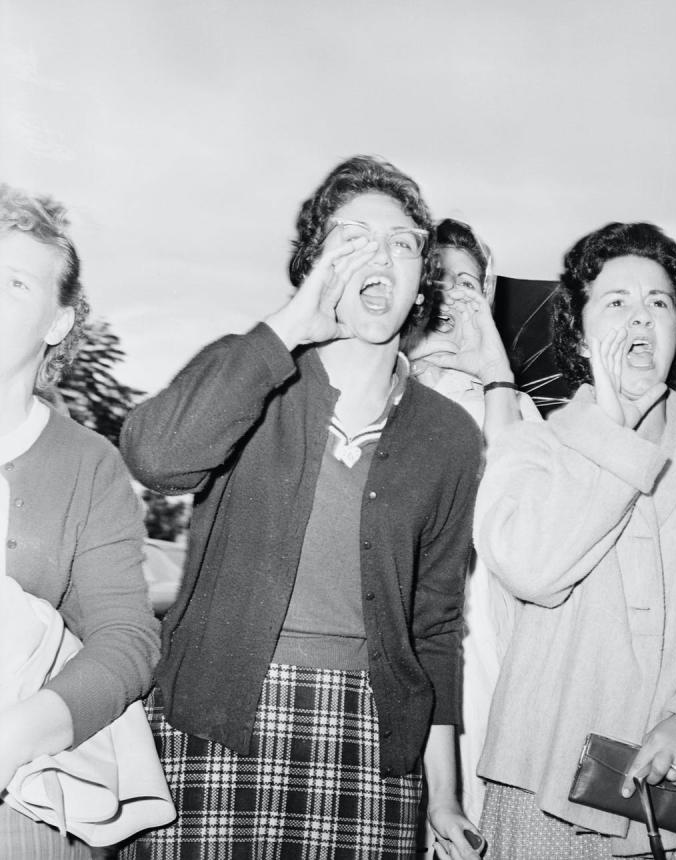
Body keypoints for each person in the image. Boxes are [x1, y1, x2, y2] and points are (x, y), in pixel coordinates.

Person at [119, 156, 485, 860]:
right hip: (217, 713)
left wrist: (444, 795)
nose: (381, 255)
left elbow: (435, 627)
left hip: (371, 739)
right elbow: (155, 458)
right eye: (354, 239)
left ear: (421, 283)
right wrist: (290, 325)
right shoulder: (251, 371)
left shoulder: (450, 437)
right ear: (316, 263)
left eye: (402, 243)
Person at [473, 221, 676, 858]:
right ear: (578, 328)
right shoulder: (530, 449)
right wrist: (612, 432)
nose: (639, 320)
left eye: (658, 304)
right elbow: (532, 569)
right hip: (547, 803)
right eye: (616, 302)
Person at [0, 184, 160, 858]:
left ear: (59, 321)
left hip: (19, 792)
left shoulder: (86, 465)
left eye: (13, 282)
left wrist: (14, 737)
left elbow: (126, 640)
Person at [404, 218, 540, 825]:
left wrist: (493, 373)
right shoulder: (382, 378)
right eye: (440, 278)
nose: (456, 294)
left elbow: (526, 503)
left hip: (485, 615)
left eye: (470, 281)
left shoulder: (511, 397)